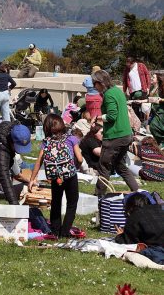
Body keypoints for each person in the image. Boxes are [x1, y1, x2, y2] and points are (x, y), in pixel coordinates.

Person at [29, 114, 81, 237]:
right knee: (72, 203)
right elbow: (80, 158)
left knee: (56, 202)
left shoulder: (46, 142)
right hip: (70, 175)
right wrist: (75, 166)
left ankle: (55, 230)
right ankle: (65, 232)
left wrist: (32, 179)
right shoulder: (71, 139)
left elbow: (39, 161)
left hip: (55, 176)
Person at [91, 69, 140, 197]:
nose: (93, 86)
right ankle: (137, 191)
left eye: (94, 83)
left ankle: (98, 197)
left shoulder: (108, 95)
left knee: (104, 166)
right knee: (119, 165)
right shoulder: (117, 91)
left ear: (100, 82)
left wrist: (98, 118)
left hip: (115, 136)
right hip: (126, 134)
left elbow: (112, 116)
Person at [122, 56, 151, 122]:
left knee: (144, 107)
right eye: (127, 65)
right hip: (132, 91)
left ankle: (145, 122)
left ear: (134, 63)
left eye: (130, 65)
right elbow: (124, 80)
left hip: (142, 89)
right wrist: (125, 90)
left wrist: (148, 87)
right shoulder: (127, 69)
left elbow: (147, 75)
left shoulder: (141, 66)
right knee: (135, 108)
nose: (129, 66)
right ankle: (138, 122)